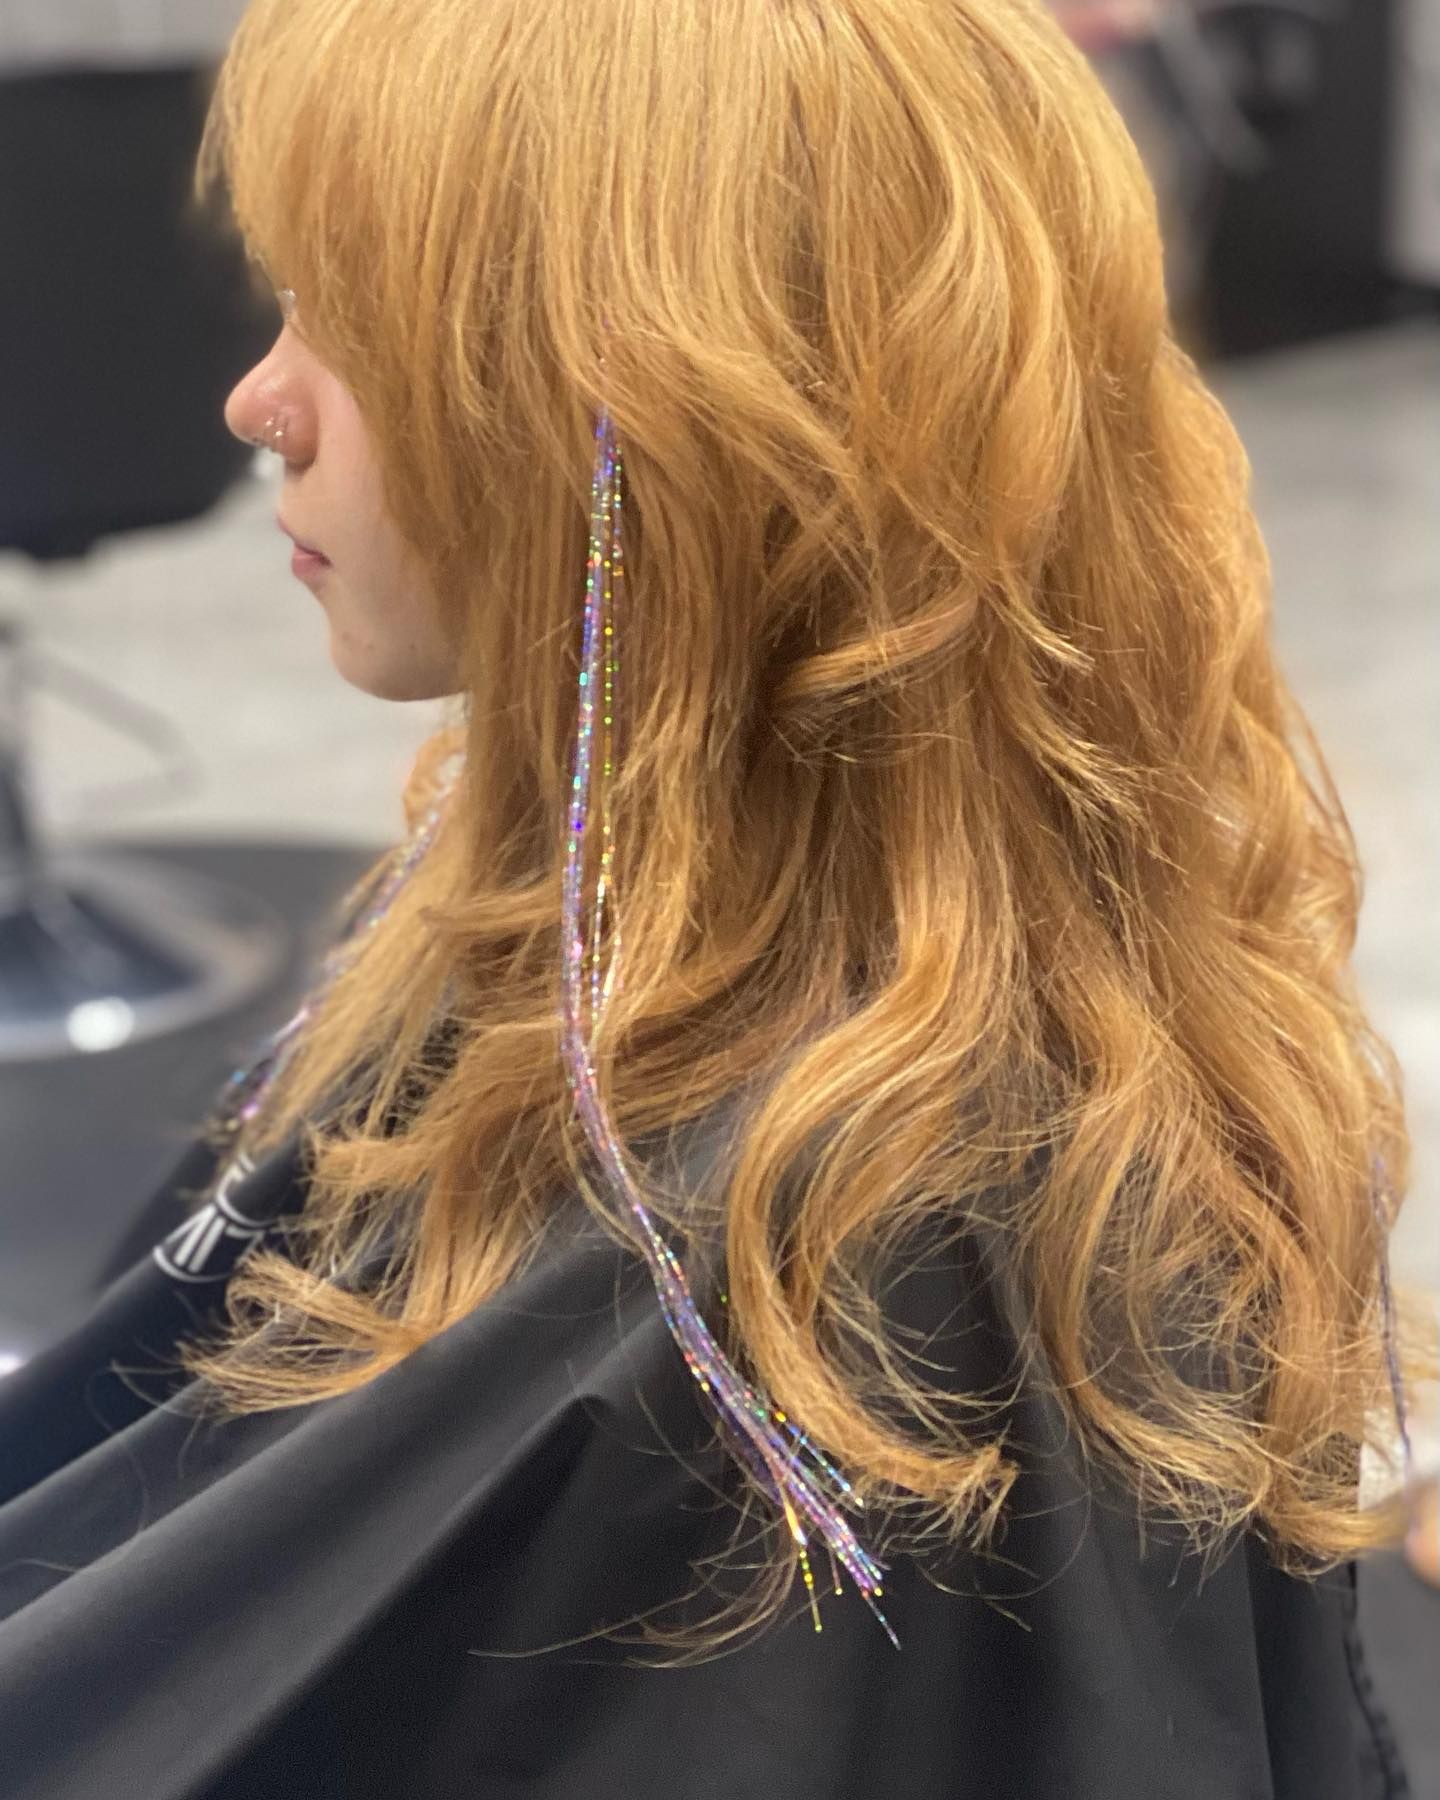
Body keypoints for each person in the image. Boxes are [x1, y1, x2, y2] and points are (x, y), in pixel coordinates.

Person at [0, 0, 1429, 1794]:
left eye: (350, 327)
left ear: (649, 415)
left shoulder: (861, 1276)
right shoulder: (553, 891)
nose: (258, 400)